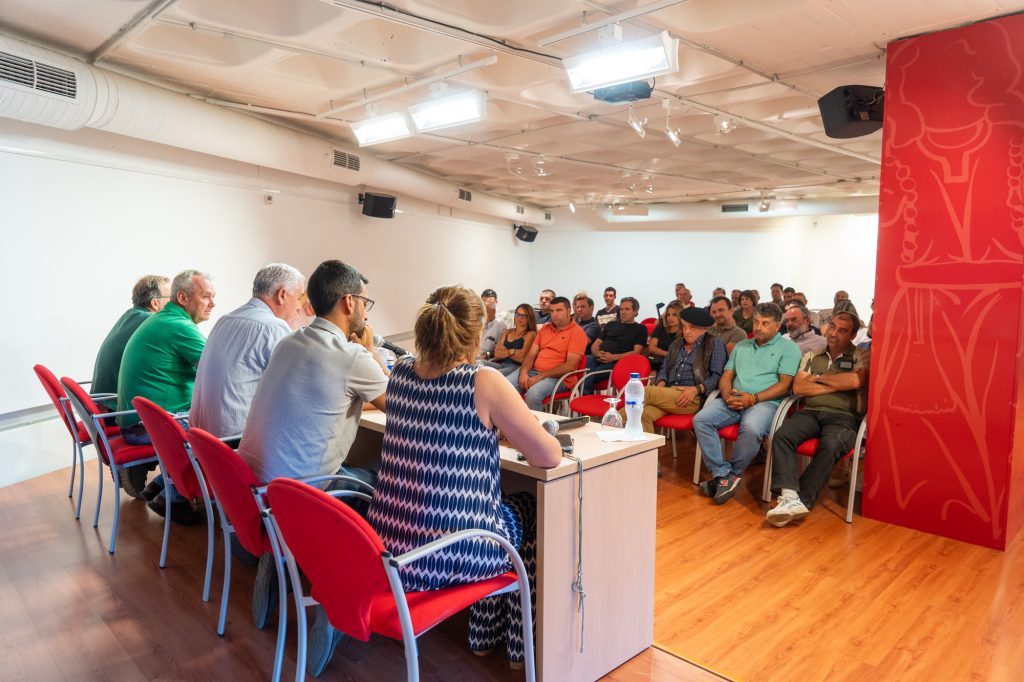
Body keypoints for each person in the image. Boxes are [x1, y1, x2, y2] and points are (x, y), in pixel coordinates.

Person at [366, 285, 562, 674]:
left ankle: (484, 634)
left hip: (389, 548)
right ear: (476, 334)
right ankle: (514, 645)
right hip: (447, 554)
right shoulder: (482, 381)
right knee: (525, 505)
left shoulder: (400, 372)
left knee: (494, 513)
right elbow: (549, 456)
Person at [238, 259, 388, 643]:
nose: (366, 312)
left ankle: (278, 560)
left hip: (259, 490)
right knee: (381, 488)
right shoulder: (351, 357)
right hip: (302, 495)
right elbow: (400, 405)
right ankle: (339, 605)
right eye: (365, 302)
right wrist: (371, 351)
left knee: (351, 470)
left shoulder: (288, 342)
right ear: (349, 302)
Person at [116, 269, 216, 520]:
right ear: (183, 298)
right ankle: (174, 497)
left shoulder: (162, 319)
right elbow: (219, 372)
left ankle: (161, 484)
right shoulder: (179, 326)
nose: (212, 303)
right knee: (221, 430)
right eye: (206, 296)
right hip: (147, 426)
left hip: (138, 420)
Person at [766, 302, 869, 527]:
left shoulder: (861, 355)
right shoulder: (813, 355)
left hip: (844, 416)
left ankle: (800, 500)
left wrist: (818, 378)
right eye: (832, 326)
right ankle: (790, 496)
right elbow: (799, 388)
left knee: (831, 445)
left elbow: (855, 380)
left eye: (842, 330)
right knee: (782, 435)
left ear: (853, 335)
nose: (833, 333)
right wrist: (837, 386)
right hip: (811, 412)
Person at [693, 303, 802, 505]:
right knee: (701, 419)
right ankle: (722, 474)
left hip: (765, 402)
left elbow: (784, 385)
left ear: (777, 326)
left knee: (751, 427)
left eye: (765, 323)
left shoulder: (789, 349)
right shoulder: (742, 346)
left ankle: (732, 475)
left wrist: (753, 398)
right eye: (756, 322)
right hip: (733, 398)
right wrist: (727, 394)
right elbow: (726, 376)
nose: (758, 327)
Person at [189, 263, 305, 442]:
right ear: (282, 295)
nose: (299, 307)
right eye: (299, 298)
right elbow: (296, 390)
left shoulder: (225, 319)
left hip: (202, 443)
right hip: (233, 444)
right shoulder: (273, 327)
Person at [625, 307, 726, 433]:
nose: (687, 331)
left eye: (692, 328)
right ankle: (643, 446)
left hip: (693, 397)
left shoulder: (715, 344)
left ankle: (609, 425)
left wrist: (696, 389)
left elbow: (717, 376)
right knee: (643, 414)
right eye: (684, 327)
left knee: (645, 392)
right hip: (670, 392)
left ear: (704, 329)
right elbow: (664, 368)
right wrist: (661, 383)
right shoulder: (676, 344)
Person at [91, 275, 170, 398]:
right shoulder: (152, 321)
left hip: (102, 401)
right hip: (116, 405)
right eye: (171, 298)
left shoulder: (130, 315)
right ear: (155, 303)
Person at [508, 296, 587, 410]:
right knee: (504, 387)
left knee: (533, 395)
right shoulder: (545, 329)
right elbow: (531, 355)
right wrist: (524, 372)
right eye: (552, 311)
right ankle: (513, 420)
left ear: (569, 311)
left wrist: (540, 376)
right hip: (533, 371)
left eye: (559, 310)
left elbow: (570, 366)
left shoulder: (577, 333)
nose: (554, 314)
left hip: (560, 378)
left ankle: (533, 422)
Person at [585, 296, 648, 393]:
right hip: (598, 357)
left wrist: (613, 357)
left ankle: (586, 397)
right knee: (584, 363)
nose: (623, 312)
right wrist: (597, 353)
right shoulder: (611, 324)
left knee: (589, 375)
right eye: (621, 309)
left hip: (617, 362)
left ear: (635, 312)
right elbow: (595, 344)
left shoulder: (640, 329)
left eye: (627, 309)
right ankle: (585, 395)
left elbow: (636, 352)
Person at [488, 303, 537, 376]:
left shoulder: (530, 334)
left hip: (515, 367)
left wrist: (504, 352)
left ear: (529, 318)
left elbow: (523, 358)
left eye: (524, 316)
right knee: (478, 364)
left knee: (491, 375)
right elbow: (497, 354)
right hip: (499, 363)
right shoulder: (507, 332)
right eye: (517, 314)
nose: (519, 318)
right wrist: (512, 351)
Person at [647, 300, 683, 372]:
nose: (670, 318)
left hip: (676, 366)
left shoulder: (685, 331)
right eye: (668, 315)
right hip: (657, 363)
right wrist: (668, 354)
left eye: (674, 315)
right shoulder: (661, 327)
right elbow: (652, 348)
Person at [478, 288, 508, 361]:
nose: (486, 306)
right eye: (484, 303)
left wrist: (488, 354)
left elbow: (503, 346)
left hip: (489, 357)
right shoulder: (478, 316)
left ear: (496, 302)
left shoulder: (502, 319)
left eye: (490, 303)